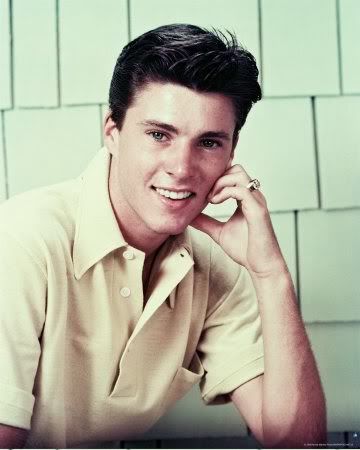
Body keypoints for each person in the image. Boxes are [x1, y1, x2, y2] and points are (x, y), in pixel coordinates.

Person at [0, 24, 326, 448]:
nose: (182, 167)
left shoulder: (217, 265)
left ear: (232, 151)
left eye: (208, 142)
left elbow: (298, 443)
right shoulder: (22, 240)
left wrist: (271, 275)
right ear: (112, 131)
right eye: (159, 135)